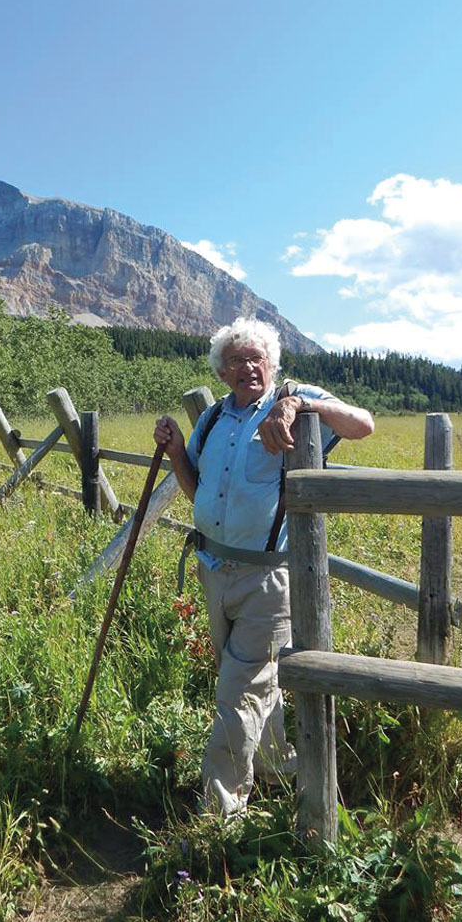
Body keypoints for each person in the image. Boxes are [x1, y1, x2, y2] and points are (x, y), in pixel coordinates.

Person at [154, 317, 374, 816]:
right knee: (250, 680)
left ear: (273, 364)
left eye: (257, 357)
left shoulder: (292, 401)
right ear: (222, 370)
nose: (248, 366)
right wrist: (172, 451)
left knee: (237, 688)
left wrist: (300, 404)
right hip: (213, 566)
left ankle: (220, 813)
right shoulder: (211, 420)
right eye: (236, 359)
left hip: (267, 576)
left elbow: (363, 423)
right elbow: (196, 488)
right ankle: (278, 767)